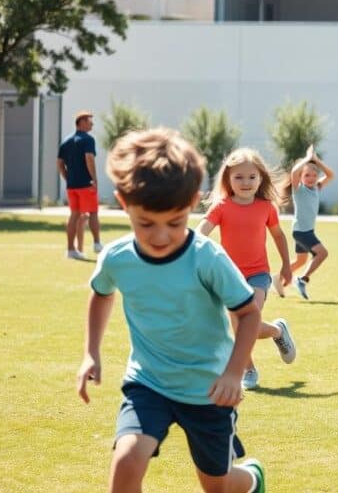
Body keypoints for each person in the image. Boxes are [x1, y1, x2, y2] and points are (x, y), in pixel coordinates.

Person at [75, 128, 267, 493]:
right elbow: (101, 294)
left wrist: (232, 374)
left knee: (218, 484)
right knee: (127, 460)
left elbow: (249, 314)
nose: (160, 237)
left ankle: (253, 478)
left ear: (194, 202)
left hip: (209, 390)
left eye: (175, 223)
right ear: (122, 202)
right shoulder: (118, 257)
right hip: (149, 382)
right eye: (146, 223)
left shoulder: (206, 258)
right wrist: (91, 353)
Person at [197, 148, 296, 391]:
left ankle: (269, 340)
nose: (245, 182)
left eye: (251, 177)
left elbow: (278, 236)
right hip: (229, 275)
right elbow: (201, 231)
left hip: (258, 274)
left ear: (260, 178)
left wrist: (285, 264)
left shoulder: (266, 207)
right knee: (239, 327)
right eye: (238, 177)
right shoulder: (221, 206)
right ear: (228, 179)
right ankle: (268, 343)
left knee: (247, 323)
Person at [288, 145, 335, 300]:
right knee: (322, 253)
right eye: (307, 175)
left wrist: (316, 160)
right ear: (301, 177)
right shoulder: (298, 189)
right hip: (302, 232)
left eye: (314, 175)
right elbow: (294, 172)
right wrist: (307, 159)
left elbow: (330, 175)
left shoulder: (316, 188)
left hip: (307, 231)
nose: (311, 178)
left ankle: (278, 279)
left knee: (300, 260)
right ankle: (302, 280)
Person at [57, 110, 102, 260]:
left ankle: (71, 250)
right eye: (90, 121)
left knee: (74, 215)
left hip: (72, 185)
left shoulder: (66, 141)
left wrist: (67, 178)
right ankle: (97, 243)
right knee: (93, 212)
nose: (92, 124)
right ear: (81, 122)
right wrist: (94, 179)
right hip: (85, 184)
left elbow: (59, 163)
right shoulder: (88, 139)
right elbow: (89, 158)